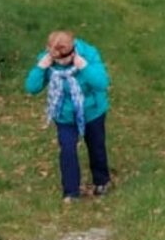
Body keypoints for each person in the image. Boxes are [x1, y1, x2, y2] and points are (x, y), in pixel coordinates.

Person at [24, 29, 111, 201]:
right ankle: (71, 191)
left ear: (73, 50)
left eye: (64, 58)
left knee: (96, 146)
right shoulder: (48, 61)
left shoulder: (89, 54)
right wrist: (40, 68)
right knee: (67, 149)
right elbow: (31, 88)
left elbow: (102, 83)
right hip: (64, 115)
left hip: (92, 110)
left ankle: (102, 181)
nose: (61, 63)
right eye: (57, 59)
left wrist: (84, 67)